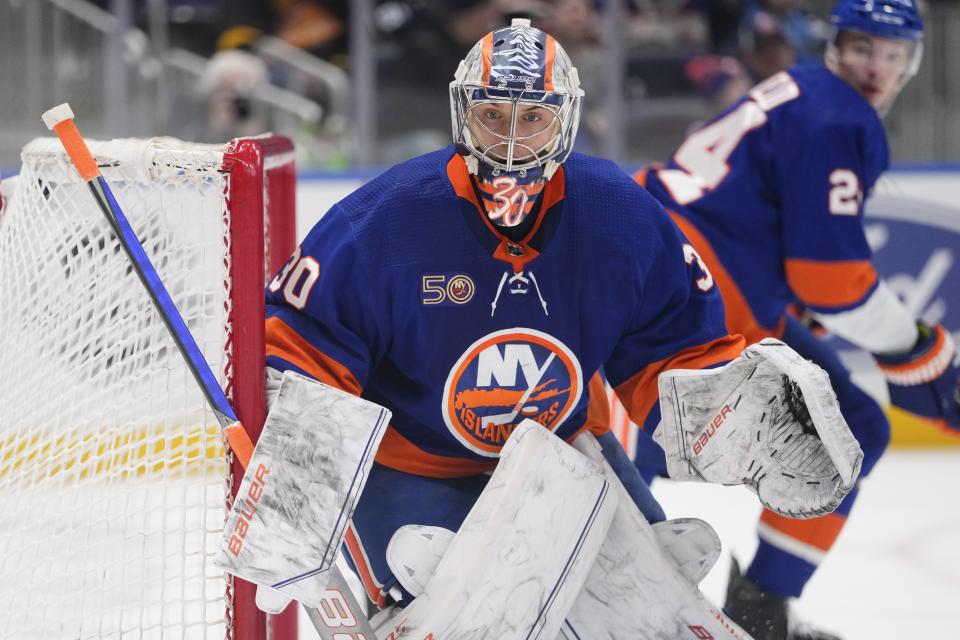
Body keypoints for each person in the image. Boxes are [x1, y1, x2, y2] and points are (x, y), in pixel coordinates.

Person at [262, 17, 853, 624]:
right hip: (413, 465)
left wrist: (733, 422)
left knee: (649, 616)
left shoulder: (618, 215)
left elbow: (672, 350)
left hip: (565, 456)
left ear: (564, 120)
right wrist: (293, 491)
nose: (512, 141)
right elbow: (303, 350)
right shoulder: (384, 219)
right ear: (463, 114)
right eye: (492, 116)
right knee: (451, 619)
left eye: (533, 118)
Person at [632, 1, 960, 638]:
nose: (877, 66)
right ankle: (589, 589)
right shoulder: (840, 119)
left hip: (665, 255)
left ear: (912, 61)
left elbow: (771, 225)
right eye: (864, 47)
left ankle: (761, 611)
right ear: (838, 45)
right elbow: (831, 282)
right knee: (635, 443)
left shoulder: (804, 89)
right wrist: (916, 346)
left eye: (892, 54)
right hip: (695, 289)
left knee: (853, 423)